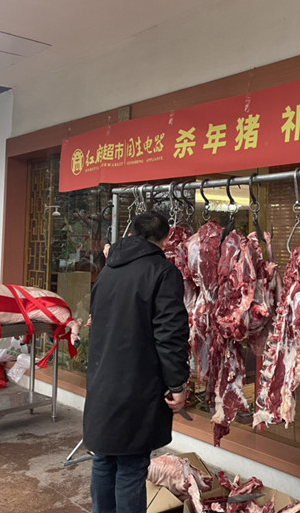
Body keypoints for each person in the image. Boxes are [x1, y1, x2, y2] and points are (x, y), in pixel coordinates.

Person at [82, 212, 189, 513]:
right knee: (131, 465)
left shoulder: (108, 270)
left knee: (104, 458)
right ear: (166, 239)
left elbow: (96, 318)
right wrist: (177, 384)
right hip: (137, 384)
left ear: (131, 233)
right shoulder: (162, 272)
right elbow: (170, 335)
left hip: (102, 379)